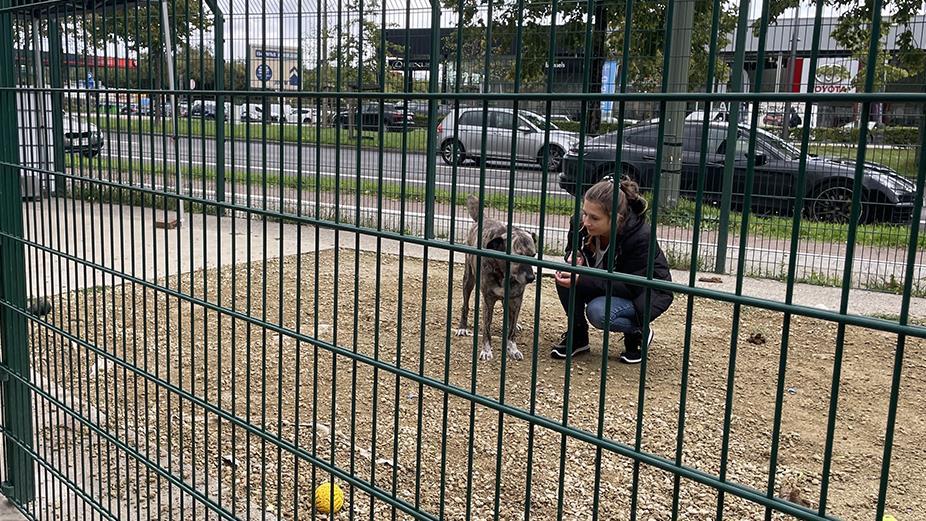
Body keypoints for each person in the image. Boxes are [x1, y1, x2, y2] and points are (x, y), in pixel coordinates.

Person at [551, 176, 674, 363]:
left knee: (598, 312)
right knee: (565, 273)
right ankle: (578, 335)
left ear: (616, 219)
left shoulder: (640, 236)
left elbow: (631, 286)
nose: (586, 222)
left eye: (594, 218)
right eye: (585, 213)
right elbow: (571, 249)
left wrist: (583, 279)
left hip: (641, 293)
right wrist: (574, 255)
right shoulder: (580, 223)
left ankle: (637, 331)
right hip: (603, 284)